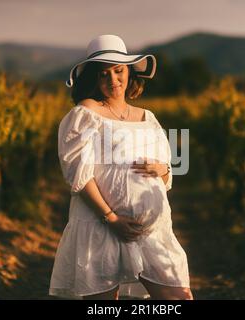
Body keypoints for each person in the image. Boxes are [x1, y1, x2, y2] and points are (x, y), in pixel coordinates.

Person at [49, 35, 193, 300]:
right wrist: (111, 218)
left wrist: (162, 169)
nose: (113, 80)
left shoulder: (148, 117)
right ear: (94, 78)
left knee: (178, 298)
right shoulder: (85, 114)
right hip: (101, 226)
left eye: (119, 71)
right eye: (104, 74)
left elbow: (167, 172)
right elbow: (78, 175)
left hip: (150, 230)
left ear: (129, 72)